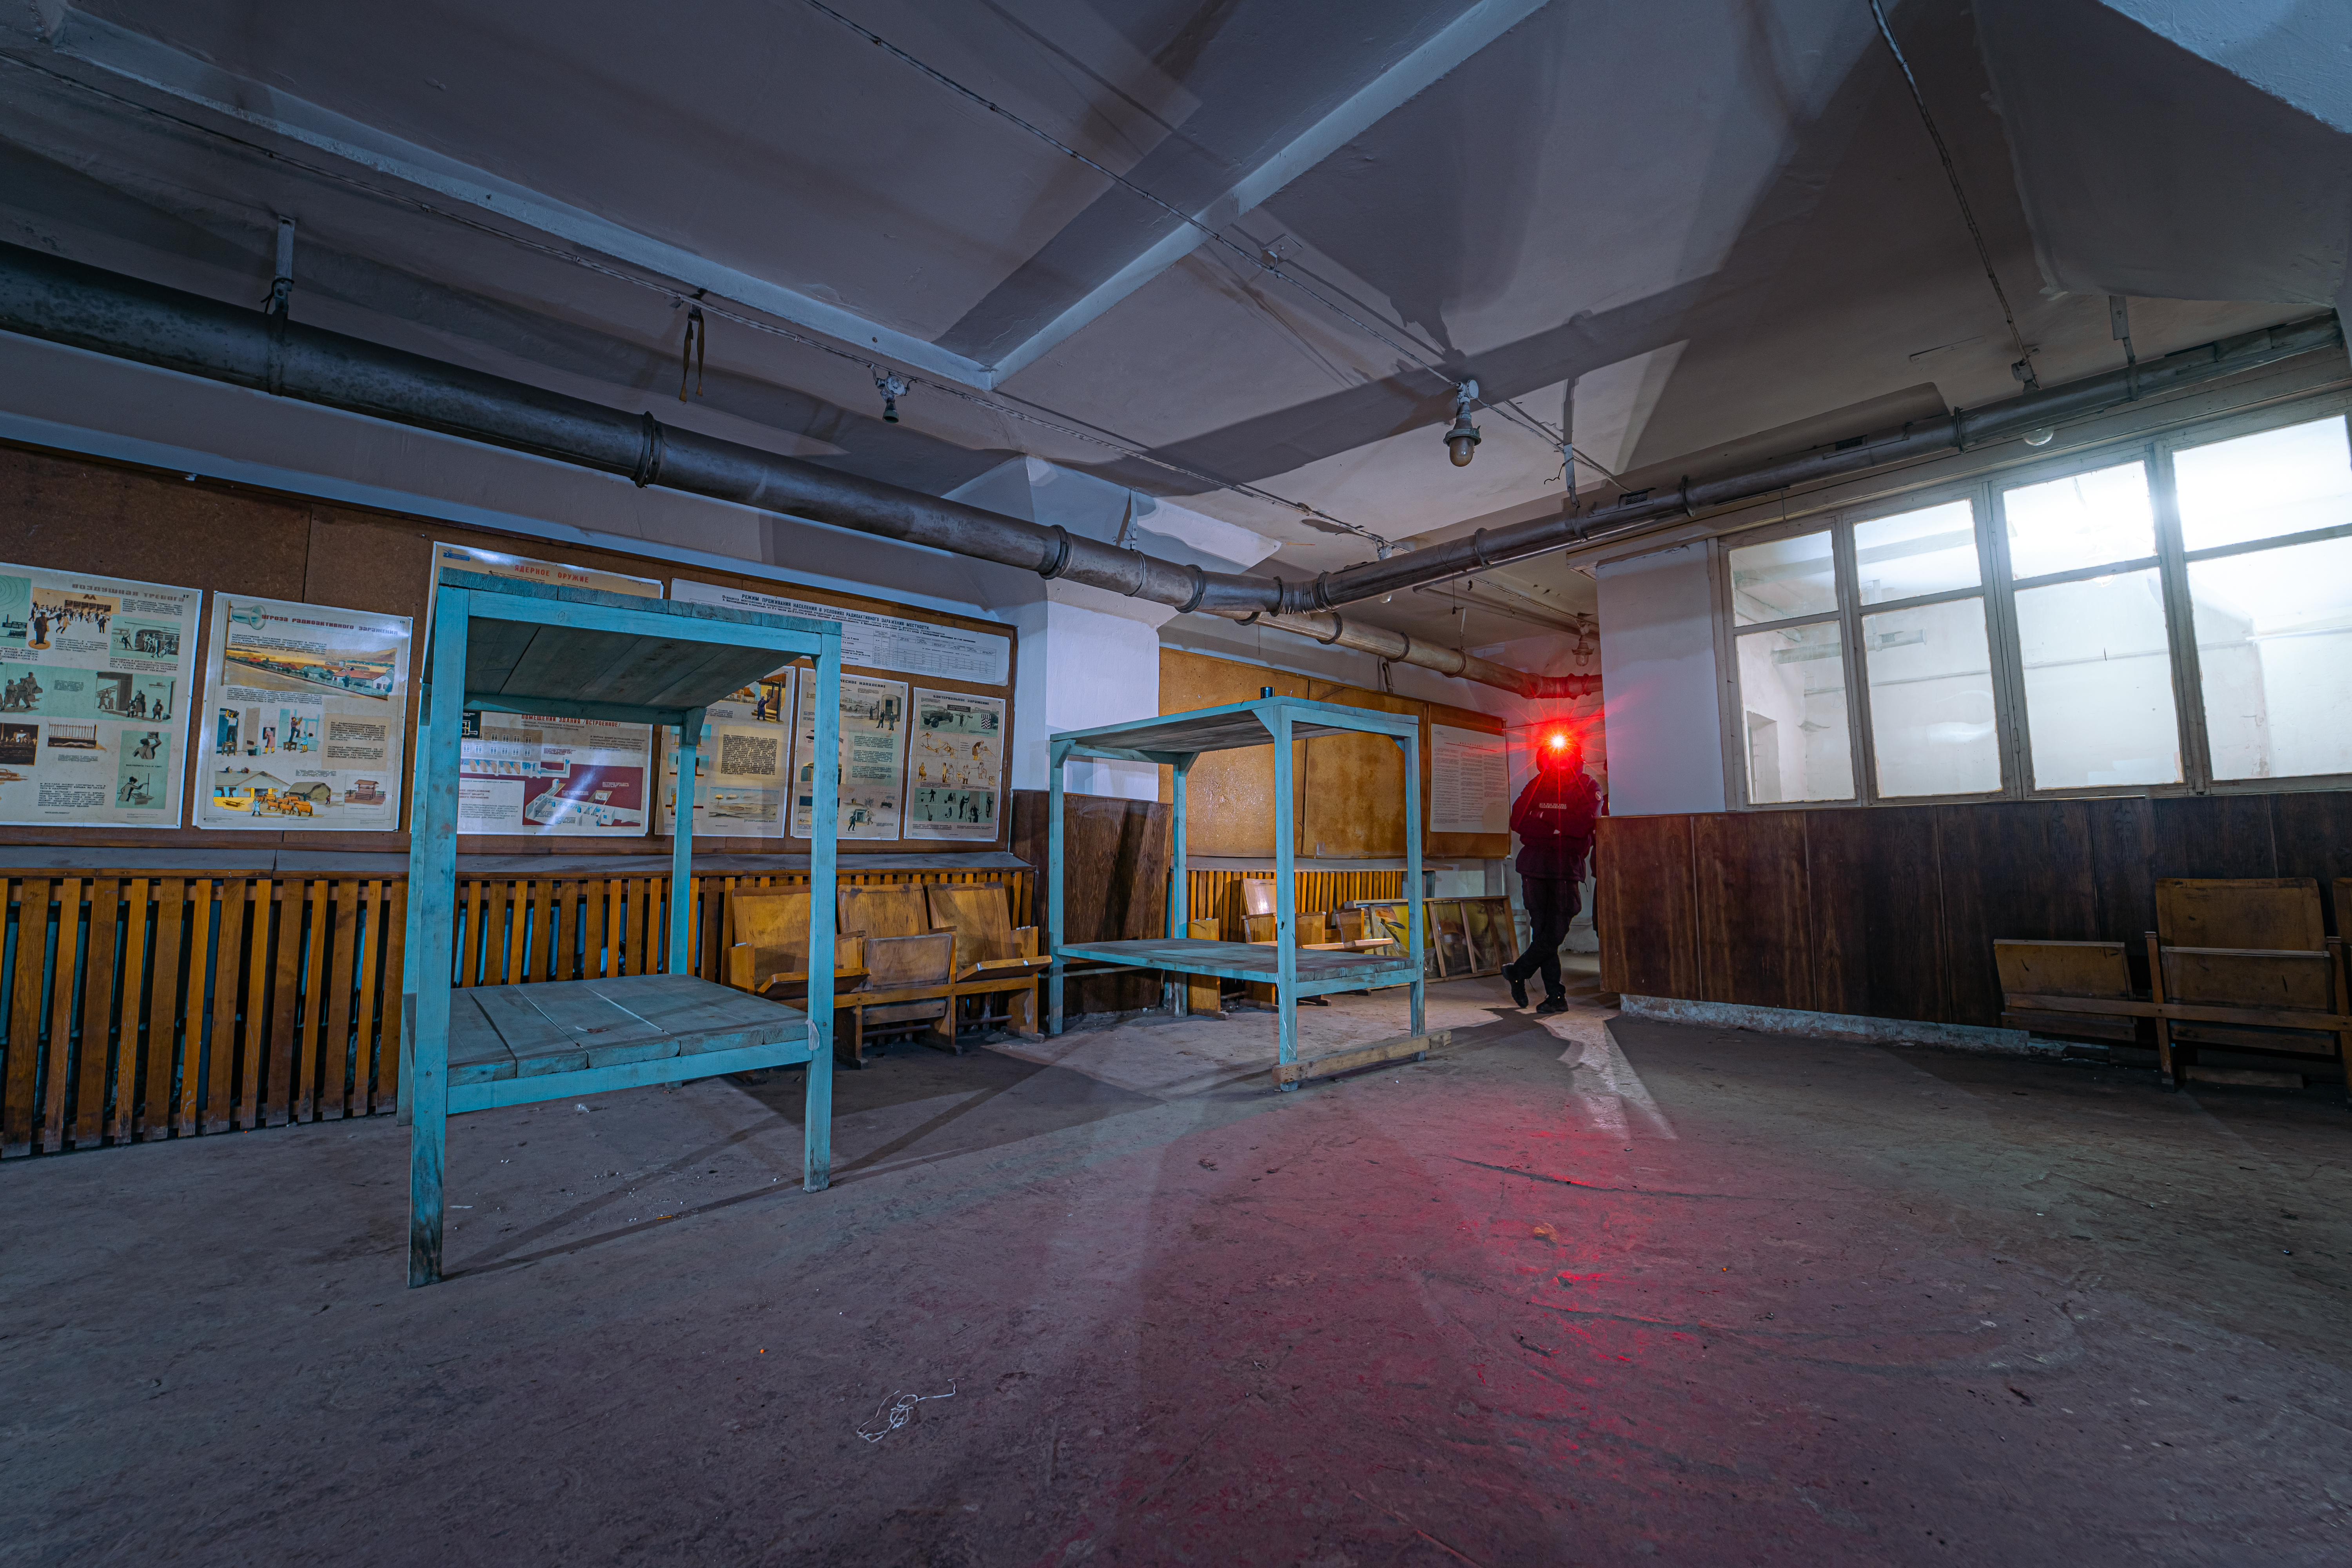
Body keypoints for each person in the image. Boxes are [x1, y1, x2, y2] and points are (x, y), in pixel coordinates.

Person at [1502, 727, 1602, 1014]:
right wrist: (1558, 825)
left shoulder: (1587, 786)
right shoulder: (1536, 784)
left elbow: (1582, 825)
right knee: (1543, 932)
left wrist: (1543, 817)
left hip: (1565, 869)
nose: (1559, 760)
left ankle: (1518, 971)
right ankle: (1556, 996)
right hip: (1535, 867)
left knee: (1556, 932)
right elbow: (1519, 821)